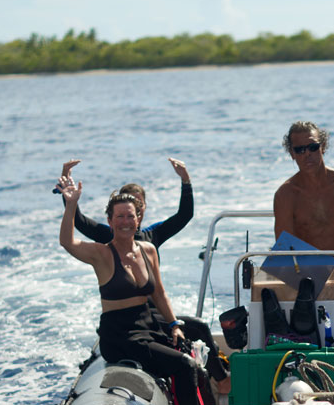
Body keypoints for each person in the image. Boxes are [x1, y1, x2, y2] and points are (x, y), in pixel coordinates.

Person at [56, 159, 228, 385]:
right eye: (121, 214)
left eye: (135, 209)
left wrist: (186, 181)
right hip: (125, 324)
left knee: (199, 328)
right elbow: (75, 228)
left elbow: (183, 216)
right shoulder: (107, 242)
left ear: (141, 211)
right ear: (111, 218)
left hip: (150, 316)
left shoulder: (150, 240)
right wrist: (69, 199)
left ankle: (221, 380)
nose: (127, 219)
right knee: (182, 361)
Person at [273, 121, 334, 290]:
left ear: (323, 147)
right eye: (299, 150)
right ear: (292, 154)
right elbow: (285, 250)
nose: (307, 154)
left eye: (312, 147)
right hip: (305, 274)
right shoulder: (285, 195)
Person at [61, 157, 192, 248]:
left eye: (139, 204)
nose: (135, 209)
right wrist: (69, 195)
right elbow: (77, 220)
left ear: (145, 207)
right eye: (130, 204)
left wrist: (185, 180)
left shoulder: (153, 235)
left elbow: (184, 215)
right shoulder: (107, 235)